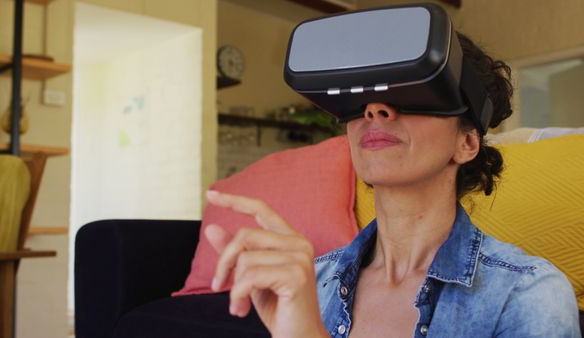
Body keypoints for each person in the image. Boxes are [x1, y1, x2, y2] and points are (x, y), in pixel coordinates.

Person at [202, 33, 581, 338]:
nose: (375, 109)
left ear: (466, 143)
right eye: (362, 96)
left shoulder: (528, 294)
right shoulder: (311, 283)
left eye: (415, 92)